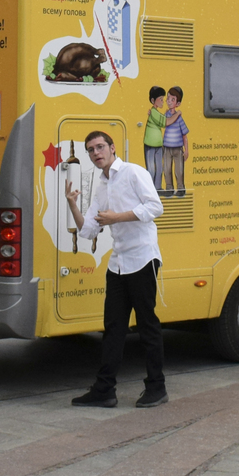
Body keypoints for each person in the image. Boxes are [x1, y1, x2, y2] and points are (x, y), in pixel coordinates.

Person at [66, 130, 167, 409]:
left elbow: (155, 207)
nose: (96, 153)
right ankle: (104, 390)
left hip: (143, 259)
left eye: (100, 147)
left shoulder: (134, 173)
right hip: (119, 263)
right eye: (90, 150)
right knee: (113, 328)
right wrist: (72, 204)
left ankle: (157, 387)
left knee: (147, 325)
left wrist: (116, 217)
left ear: (112, 148)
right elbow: (88, 230)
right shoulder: (101, 186)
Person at [161, 86, 188, 197]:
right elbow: (163, 123)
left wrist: (186, 150)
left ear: (178, 103)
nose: (169, 101)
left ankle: (181, 188)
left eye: (173, 99)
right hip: (167, 148)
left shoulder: (180, 119)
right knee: (166, 169)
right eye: (168, 99)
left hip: (178, 148)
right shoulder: (166, 116)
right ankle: (169, 188)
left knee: (179, 170)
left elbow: (184, 135)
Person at [143, 86, 169, 185]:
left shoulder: (155, 112)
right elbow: (165, 122)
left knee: (159, 167)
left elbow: (162, 118)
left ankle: (157, 188)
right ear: (153, 100)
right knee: (152, 169)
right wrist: (177, 115)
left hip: (158, 144)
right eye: (161, 99)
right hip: (150, 145)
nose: (163, 102)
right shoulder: (153, 112)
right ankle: (151, 188)